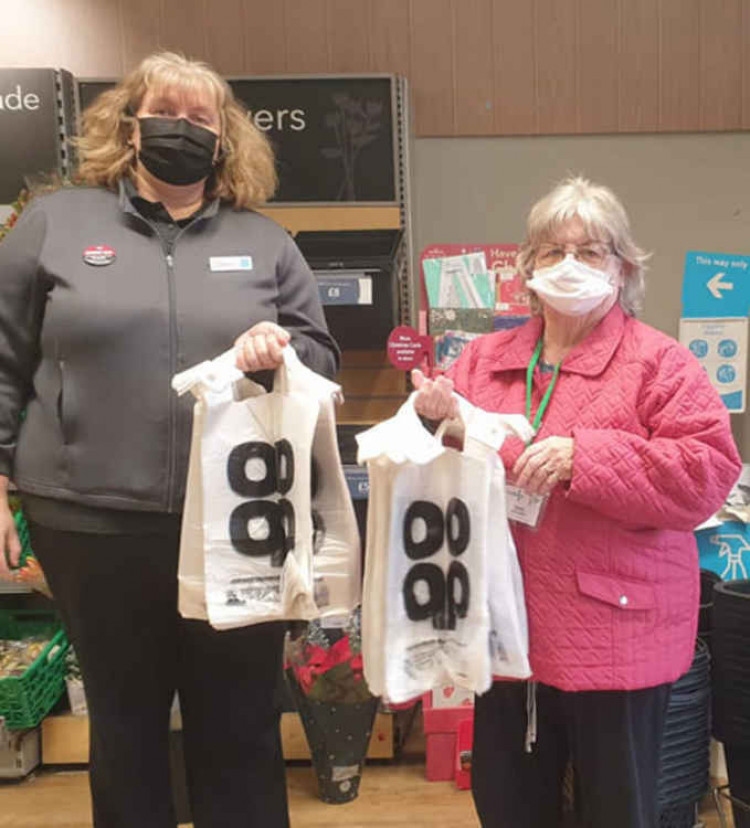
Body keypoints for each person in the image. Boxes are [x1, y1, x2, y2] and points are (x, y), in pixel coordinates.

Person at [0, 52, 339, 828]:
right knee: (124, 723)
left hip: (241, 524)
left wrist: (279, 355)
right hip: (89, 520)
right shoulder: (56, 223)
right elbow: (2, 361)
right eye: (166, 113)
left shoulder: (266, 242)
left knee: (241, 726)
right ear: (129, 124)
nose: (180, 130)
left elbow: (319, 359)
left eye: (200, 119)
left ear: (224, 140)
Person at [413, 177, 742, 828]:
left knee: (616, 810)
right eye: (551, 250)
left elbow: (707, 473)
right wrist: (431, 420)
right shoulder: (482, 361)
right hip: (505, 628)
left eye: (591, 251)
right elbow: (442, 468)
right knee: (510, 805)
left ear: (623, 267)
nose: (569, 265)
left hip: (615, 634)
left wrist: (583, 457)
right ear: (527, 267)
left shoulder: (660, 365)